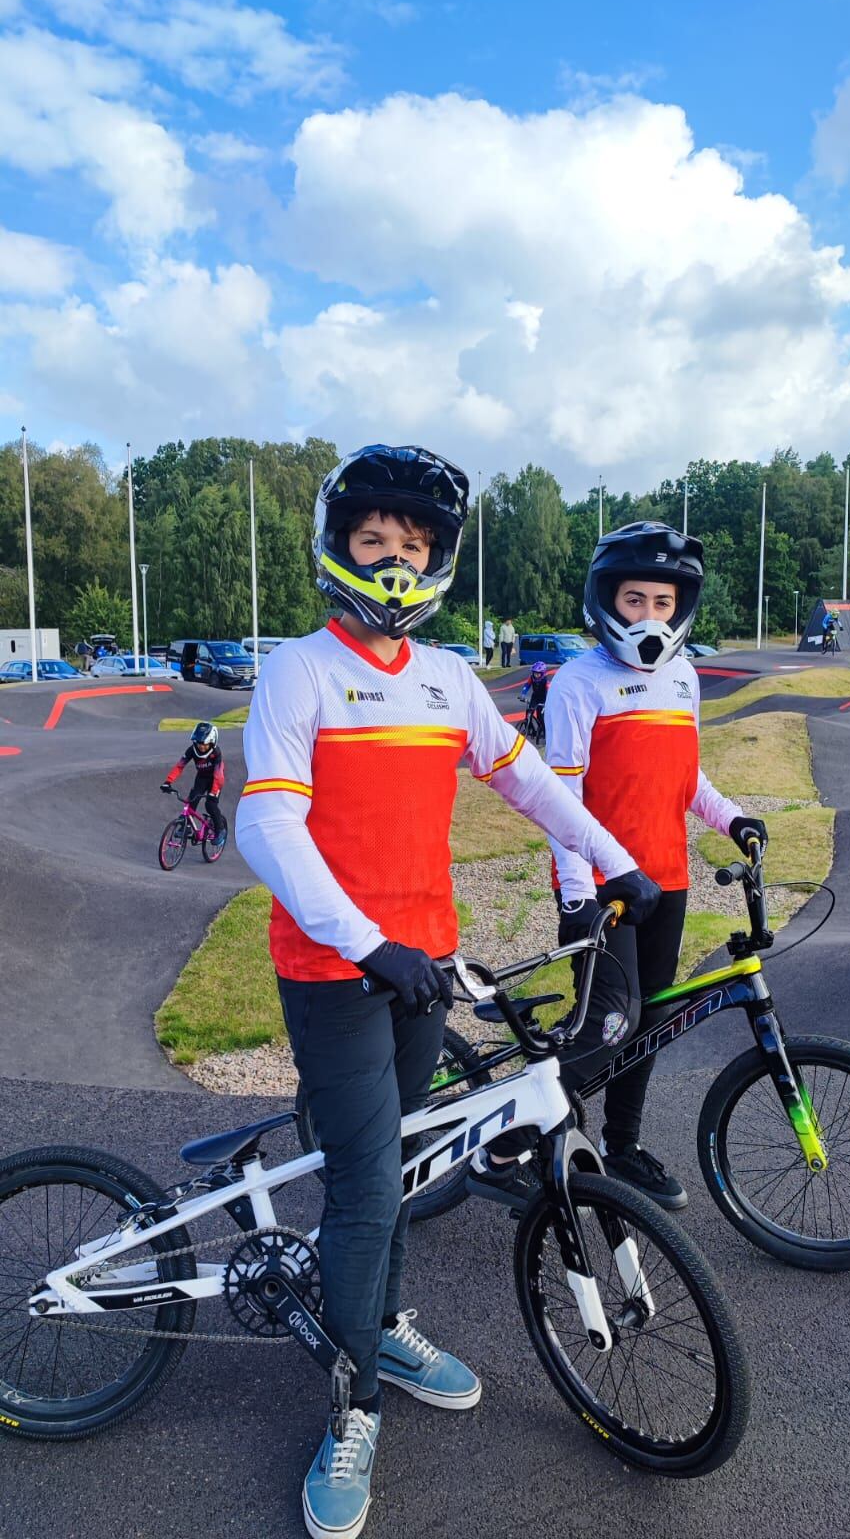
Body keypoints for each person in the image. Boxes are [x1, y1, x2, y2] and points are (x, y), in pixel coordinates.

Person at [235, 445, 660, 1539]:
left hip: (421, 968)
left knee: (404, 1164)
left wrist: (614, 860)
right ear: (339, 547)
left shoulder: (445, 676)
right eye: (374, 539)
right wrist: (367, 941)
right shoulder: (301, 670)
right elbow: (266, 822)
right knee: (371, 1188)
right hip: (338, 972)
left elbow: (526, 778)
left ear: (438, 561)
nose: (392, 559)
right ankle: (352, 1402)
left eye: (412, 545)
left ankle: (377, 1318)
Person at [477, 522, 767, 1212]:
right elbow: (561, 797)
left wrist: (734, 819)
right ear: (608, 600)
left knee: (650, 1023)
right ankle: (502, 1147)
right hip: (602, 888)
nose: (649, 617)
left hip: (667, 879)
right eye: (635, 600)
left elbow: (688, 780)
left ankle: (622, 1146)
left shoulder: (684, 677)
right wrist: (577, 892)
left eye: (663, 603)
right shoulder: (581, 683)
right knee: (608, 1025)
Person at [161, 721, 226, 842]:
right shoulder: (192, 750)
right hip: (201, 778)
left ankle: (220, 830)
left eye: (204, 744)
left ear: (212, 742)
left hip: (215, 780)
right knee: (192, 800)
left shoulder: (216, 753)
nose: (201, 746)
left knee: (210, 805)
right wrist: (168, 782)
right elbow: (180, 766)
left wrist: (213, 792)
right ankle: (188, 827)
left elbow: (218, 775)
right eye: (198, 743)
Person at [519, 659, 549, 743]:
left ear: (542, 673)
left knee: (540, 716)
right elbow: (527, 685)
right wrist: (523, 694)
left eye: (538, 673)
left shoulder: (545, 681)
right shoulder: (531, 678)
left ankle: (546, 733)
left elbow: (548, 690)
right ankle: (530, 728)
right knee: (529, 712)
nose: (536, 675)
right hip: (535, 697)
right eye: (534, 673)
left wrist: (546, 703)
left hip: (543, 699)